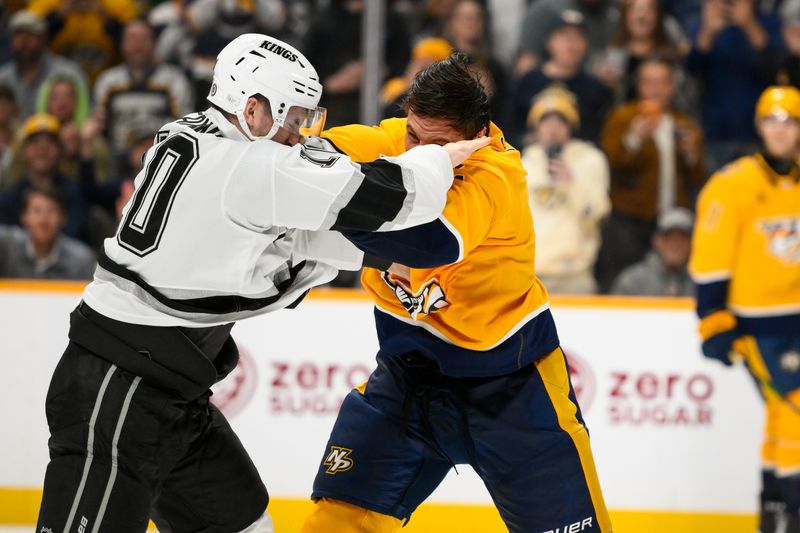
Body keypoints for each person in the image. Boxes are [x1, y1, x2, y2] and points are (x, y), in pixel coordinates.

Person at [35, 34, 487, 533]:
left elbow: (279, 240)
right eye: (293, 118)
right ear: (252, 109)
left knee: (247, 524)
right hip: (116, 392)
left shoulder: (192, 136)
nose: (302, 134)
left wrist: (377, 257)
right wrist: (442, 157)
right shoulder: (250, 165)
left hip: (168, 389)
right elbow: (396, 197)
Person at [301, 54, 611, 533]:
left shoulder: (496, 176)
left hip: (512, 387)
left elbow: (426, 244)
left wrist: (324, 209)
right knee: (336, 523)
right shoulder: (390, 140)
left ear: (476, 137)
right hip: (409, 382)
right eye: (413, 136)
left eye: (438, 145)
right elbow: (301, 155)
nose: (419, 154)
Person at [689, 86, 800, 533]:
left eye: (790, 120)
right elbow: (710, 261)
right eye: (772, 121)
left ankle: (774, 513)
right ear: (759, 127)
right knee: (795, 410)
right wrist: (713, 321)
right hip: (758, 329)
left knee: (783, 418)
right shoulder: (731, 185)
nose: (780, 129)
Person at [597, 57, 704, 292]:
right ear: (639, 85)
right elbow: (609, 164)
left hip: (671, 220)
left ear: (672, 86)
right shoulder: (622, 118)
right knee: (626, 279)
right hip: (629, 220)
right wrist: (633, 139)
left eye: (663, 82)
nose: (655, 89)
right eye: (649, 82)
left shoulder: (683, 123)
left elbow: (696, 177)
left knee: (674, 281)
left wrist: (691, 154)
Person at [521, 87, 610, 294]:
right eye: (546, 120)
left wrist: (572, 186)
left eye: (560, 121)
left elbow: (598, 213)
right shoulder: (522, 164)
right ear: (536, 127)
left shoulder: (591, 161)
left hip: (574, 274)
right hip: (530, 274)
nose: (553, 128)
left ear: (571, 126)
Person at [686, 0, 783, 173]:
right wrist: (707, 33)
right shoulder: (704, 23)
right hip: (716, 133)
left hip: (758, 133)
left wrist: (750, 25)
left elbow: (775, 71)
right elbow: (691, 71)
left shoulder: (770, 22)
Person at [93, 18, 194, 172]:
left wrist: (150, 146)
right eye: (132, 38)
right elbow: (99, 125)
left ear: (154, 43)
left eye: (143, 38)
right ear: (121, 44)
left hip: (163, 155)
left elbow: (184, 126)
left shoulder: (173, 79)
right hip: (118, 159)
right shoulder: (108, 81)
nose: (137, 45)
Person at [508, 10, 614, 147]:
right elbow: (509, 127)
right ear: (548, 42)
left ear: (587, 44)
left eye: (578, 36)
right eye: (563, 35)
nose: (571, 42)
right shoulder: (526, 82)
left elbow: (599, 137)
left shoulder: (597, 89)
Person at [0, 113, 88, 240]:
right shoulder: (9, 197)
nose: (42, 149)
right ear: (24, 150)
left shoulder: (74, 193)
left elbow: (76, 233)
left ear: (60, 150)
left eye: (49, 143)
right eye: (35, 143)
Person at [0, 10, 88, 120]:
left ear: (44, 38)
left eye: (30, 35)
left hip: (61, 135)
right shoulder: (3, 77)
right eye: (18, 35)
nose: (24, 41)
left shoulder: (68, 72)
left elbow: (86, 116)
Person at [0, 185, 95, 279]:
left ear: (63, 218)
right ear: (24, 217)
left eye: (51, 211)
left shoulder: (81, 260)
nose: (43, 220)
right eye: (37, 211)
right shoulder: (7, 247)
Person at [516, 0, 619, 76]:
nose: (571, 42)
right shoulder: (547, 8)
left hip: (593, 86)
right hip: (550, 85)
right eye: (564, 35)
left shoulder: (615, 8)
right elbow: (526, 63)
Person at [610, 206, 694, 296]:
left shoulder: (701, 281)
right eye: (669, 238)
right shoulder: (632, 281)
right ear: (656, 241)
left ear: (693, 243)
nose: (676, 244)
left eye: (683, 239)